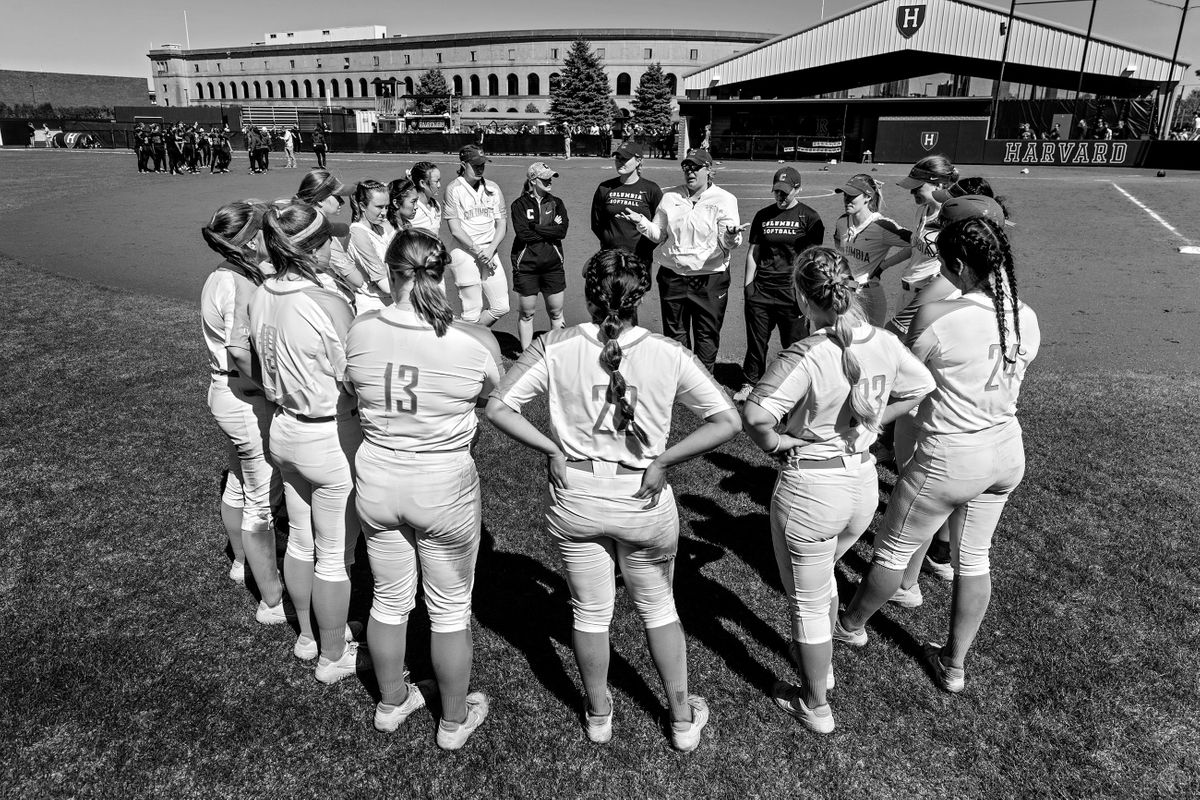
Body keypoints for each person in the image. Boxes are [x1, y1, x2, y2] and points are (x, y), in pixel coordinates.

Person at [486, 248, 742, 751]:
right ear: (640, 294)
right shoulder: (668, 351)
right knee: (658, 606)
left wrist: (552, 448)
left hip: (578, 495)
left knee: (589, 612)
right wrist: (664, 460)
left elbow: (499, 407)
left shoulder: (553, 344)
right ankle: (681, 717)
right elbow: (727, 420)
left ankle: (599, 713)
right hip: (642, 498)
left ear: (588, 293)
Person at [834, 196, 1040, 695]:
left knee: (894, 549)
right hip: (1006, 449)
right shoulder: (1025, 314)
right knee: (975, 559)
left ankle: (852, 623)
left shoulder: (938, 315)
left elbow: (899, 374)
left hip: (950, 452)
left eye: (946, 263)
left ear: (961, 265)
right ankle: (954, 663)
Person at [742, 246, 933, 733]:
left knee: (807, 600)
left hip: (812, 488)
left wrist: (780, 442)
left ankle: (816, 704)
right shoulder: (886, 342)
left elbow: (757, 416)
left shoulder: (807, 352)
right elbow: (920, 386)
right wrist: (872, 424)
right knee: (824, 579)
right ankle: (819, 665)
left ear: (804, 300)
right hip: (861, 485)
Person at [344, 228, 502, 749]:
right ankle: (452, 720)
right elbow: (490, 393)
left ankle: (392, 701)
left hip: (379, 474)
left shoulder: (362, 329)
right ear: (442, 274)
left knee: (389, 599)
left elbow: (352, 384)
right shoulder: (473, 340)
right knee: (450, 607)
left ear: (391, 273)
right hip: (442, 479)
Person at [250, 201, 365, 682]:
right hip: (327, 432)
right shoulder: (325, 301)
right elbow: (356, 376)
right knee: (335, 552)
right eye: (327, 241)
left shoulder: (262, 289)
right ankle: (333, 654)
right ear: (310, 248)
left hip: (284, 426)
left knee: (300, 539)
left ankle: (308, 634)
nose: (336, 247)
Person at [199, 200, 288, 623]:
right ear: (251, 239)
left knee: (238, 481)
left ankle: (240, 562)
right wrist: (275, 388)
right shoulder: (240, 282)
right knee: (262, 498)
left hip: (226, 391)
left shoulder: (223, 274)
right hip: (244, 395)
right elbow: (238, 349)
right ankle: (271, 599)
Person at [622, 149, 743, 373]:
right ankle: (679, 378)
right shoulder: (670, 198)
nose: (690, 172)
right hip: (673, 277)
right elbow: (658, 234)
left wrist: (731, 235)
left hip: (710, 278)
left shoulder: (725, 199)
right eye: (686, 168)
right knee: (675, 334)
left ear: (709, 170)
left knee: (706, 335)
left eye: (696, 167)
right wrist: (641, 222)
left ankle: (704, 380)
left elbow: (730, 244)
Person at [733, 166, 825, 403]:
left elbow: (812, 259)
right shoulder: (763, 215)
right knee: (756, 342)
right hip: (761, 291)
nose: (780, 197)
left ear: (798, 189)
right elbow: (753, 251)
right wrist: (748, 287)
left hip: (792, 293)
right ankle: (750, 382)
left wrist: (804, 292)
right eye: (777, 192)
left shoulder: (810, 218)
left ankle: (796, 387)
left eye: (785, 192)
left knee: (795, 344)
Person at [832, 174, 911, 327]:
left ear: (867, 197)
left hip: (869, 295)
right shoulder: (842, 221)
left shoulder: (882, 226)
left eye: (852, 195)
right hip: (844, 292)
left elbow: (915, 244)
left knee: (871, 344)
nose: (847, 199)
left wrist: (883, 266)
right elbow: (838, 243)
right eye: (845, 195)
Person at [443, 145, 510, 327]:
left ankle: (473, 336)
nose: (480, 168)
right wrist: (480, 252)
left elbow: (502, 223)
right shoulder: (453, 189)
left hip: (490, 250)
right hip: (465, 252)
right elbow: (455, 229)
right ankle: (468, 347)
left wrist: (490, 250)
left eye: (483, 164)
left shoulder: (493, 188)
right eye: (476, 164)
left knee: (501, 306)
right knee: (472, 310)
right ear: (464, 165)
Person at [510, 162, 569, 351]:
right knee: (527, 314)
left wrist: (535, 227)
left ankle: (555, 353)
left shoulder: (556, 203)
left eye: (550, 177)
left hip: (553, 266)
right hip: (527, 267)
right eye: (545, 177)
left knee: (556, 312)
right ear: (533, 180)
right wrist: (549, 229)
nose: (549, 180)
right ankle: (527, 356)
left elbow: (561, 231)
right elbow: (523, 235)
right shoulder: (519, 205)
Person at [590, 141, 662, 269]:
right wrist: (609, 243)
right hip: (610, 258)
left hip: (639, 259)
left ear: (638, 160)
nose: (620, 161)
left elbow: (661, 226)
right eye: (618, 158)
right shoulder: (605, 188)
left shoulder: (651, 189)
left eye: (625, 158)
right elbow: (596, 223)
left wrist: (645, 250)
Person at [295, 168, 361, 299]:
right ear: (320, 200)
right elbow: (357, 281)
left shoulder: (298, 222)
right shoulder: (323, 233)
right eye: (337, 197)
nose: (342, 201)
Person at [348, 179, 396, 316]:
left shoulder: (380, 228)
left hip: (390, 305)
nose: (384, 212)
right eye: (379, 207)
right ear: (363, 206)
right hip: (373, 309)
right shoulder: (358, 234)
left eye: (387, 207)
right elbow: (386, 285)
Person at [409, 161, 443, 235]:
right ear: (422, 183)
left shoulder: (436, 206)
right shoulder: (411, 209)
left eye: (439, 181)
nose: (439, 185)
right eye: (436, 181)